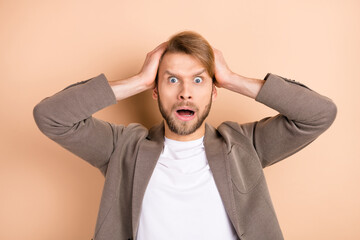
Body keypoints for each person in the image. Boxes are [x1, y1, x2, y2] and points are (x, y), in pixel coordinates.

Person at [33, 31, 337, 240]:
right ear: (155, 90)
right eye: (173, 79)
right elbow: (51, 117)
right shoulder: (122, 148)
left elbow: (318, 114)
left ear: (214, 91)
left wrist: (233, 79)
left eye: (198, 80)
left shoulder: (245, 145)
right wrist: (138, 80)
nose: (185, 93)